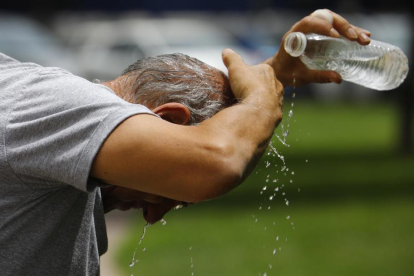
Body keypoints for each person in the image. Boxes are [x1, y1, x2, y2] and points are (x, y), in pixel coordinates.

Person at [0, 9, 371, 276]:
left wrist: (270, 75)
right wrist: (261, 100)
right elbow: (216, 163)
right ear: (170, 121)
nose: (153, 215)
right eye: (170, 193)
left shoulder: (52, 128)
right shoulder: (52, 103)